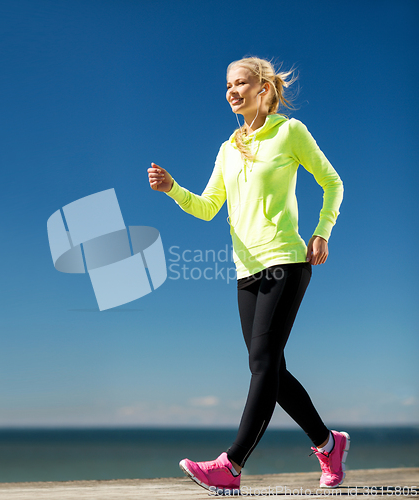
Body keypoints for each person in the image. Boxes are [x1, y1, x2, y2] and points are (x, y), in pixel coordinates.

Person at [147, 56, 347, 493]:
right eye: (227, 85)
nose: (232, 91)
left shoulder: (290, 132)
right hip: (246, 270)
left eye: (241, 83)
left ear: (264, 89)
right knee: (270, 368)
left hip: (286, 260)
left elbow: (333, 182)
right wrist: (173, 189)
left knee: (261, 364)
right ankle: (328, 443)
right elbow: (207, 208)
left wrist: (322, 232)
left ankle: (231, 465)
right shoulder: (227, 148)